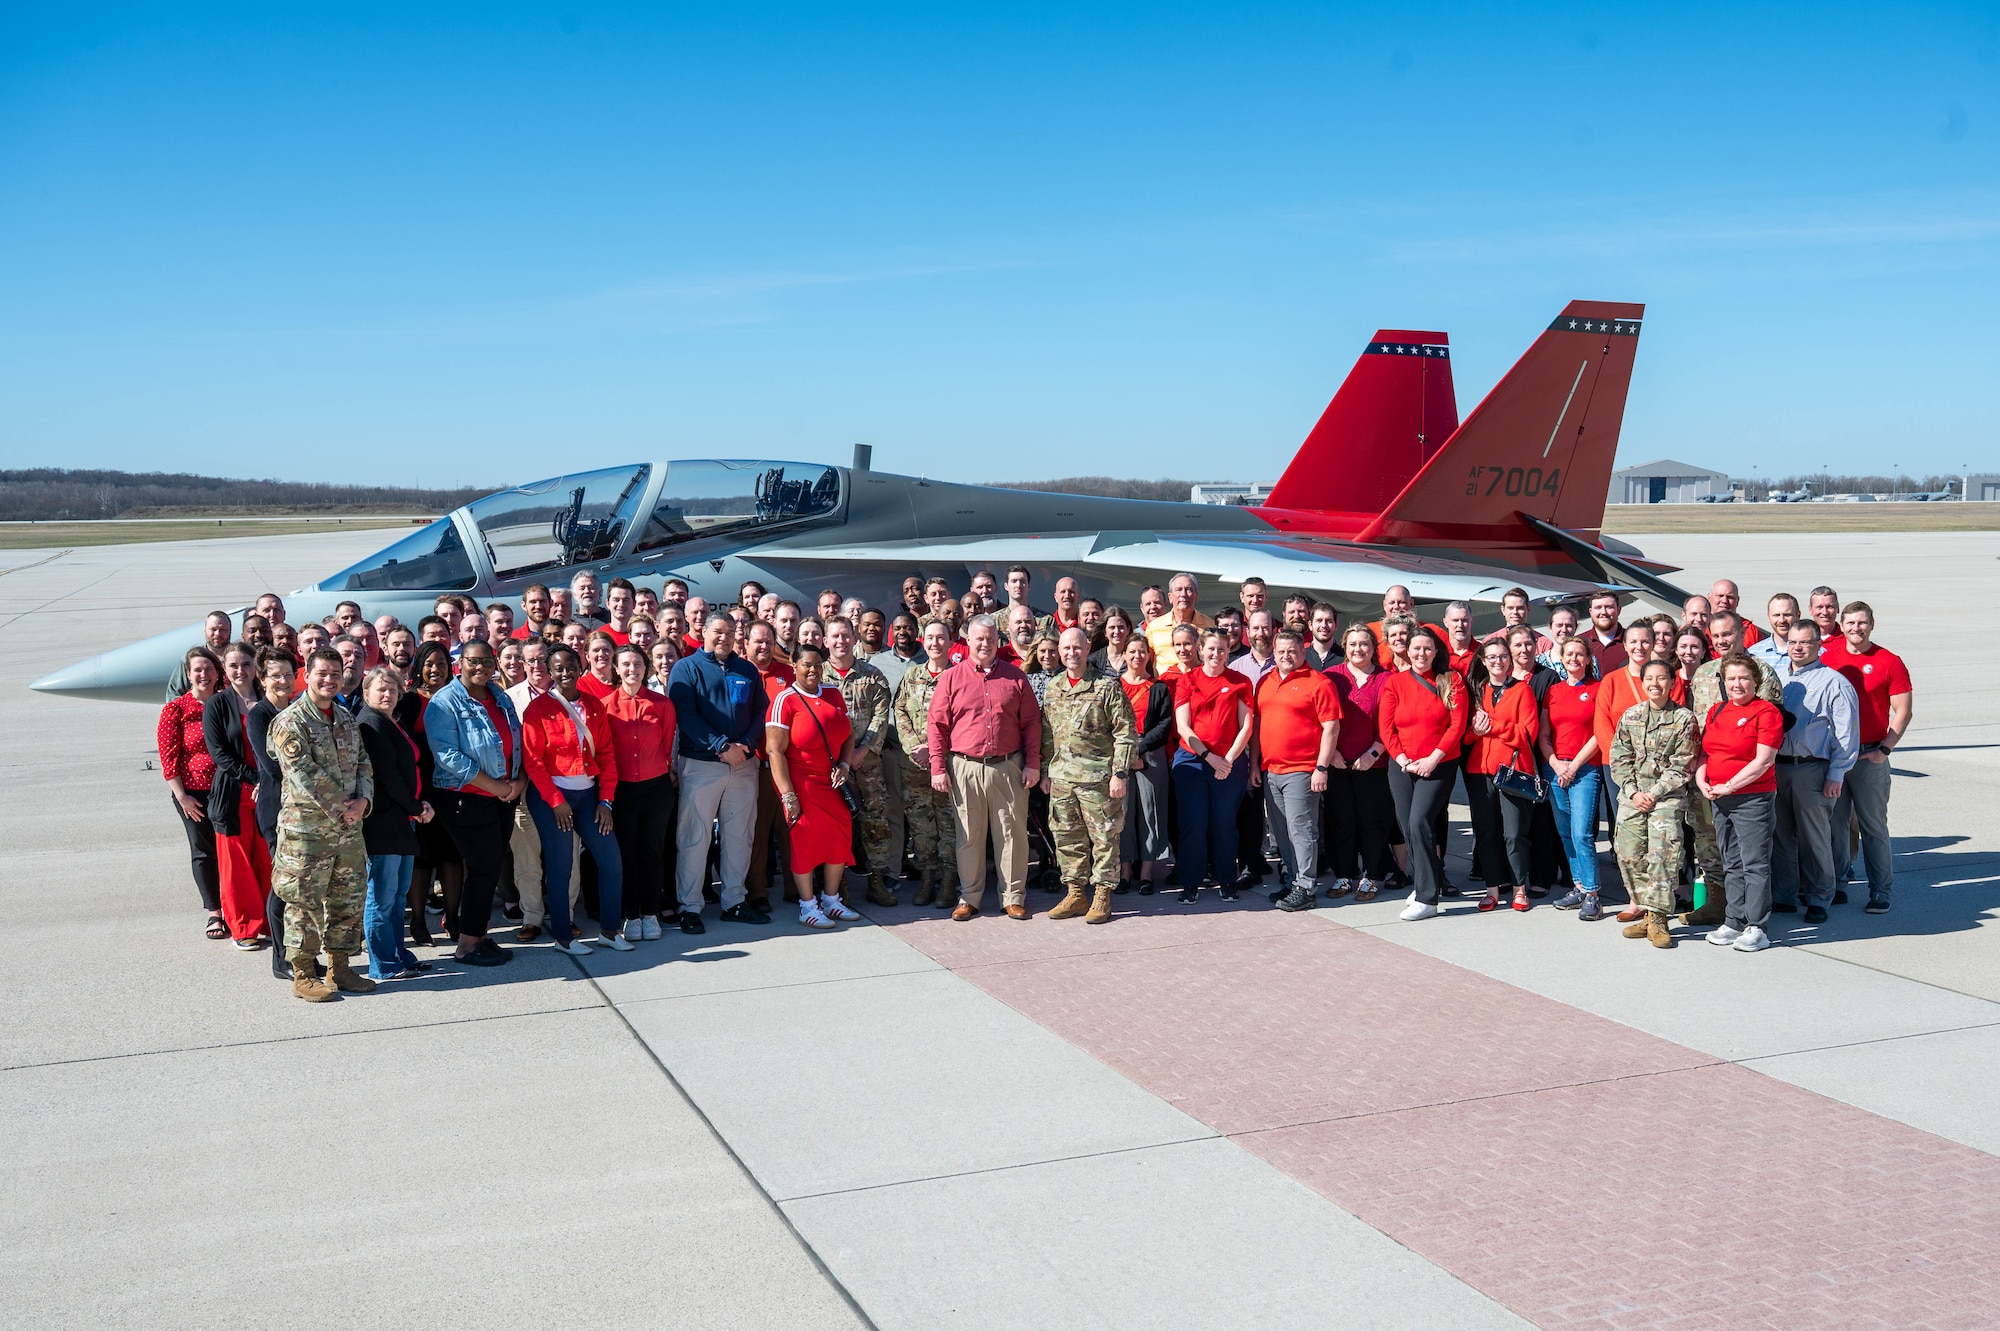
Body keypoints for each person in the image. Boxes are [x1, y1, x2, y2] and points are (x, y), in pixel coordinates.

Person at [268, 647, 376, 1001]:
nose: (329, 680)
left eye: (335, 674)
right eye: (322, 674)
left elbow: (363, 763)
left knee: (346, 899)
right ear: (307, 676)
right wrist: (342, 808)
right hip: (307, 834)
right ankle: (303, 972)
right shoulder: (291, 722)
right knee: (304, 902)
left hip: (347, 830)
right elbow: (303, 775)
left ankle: (340, 968)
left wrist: (364, 801)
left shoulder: (344, 717)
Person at [929, 615, 1042, 921]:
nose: (985, 644)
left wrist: (1032, 764)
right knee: (969, 835)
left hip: (1007, 766)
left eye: (990, 639)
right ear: (968, 641)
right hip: (964, 767)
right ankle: (970, 897)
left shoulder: (1016, 677)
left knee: (1012, 834)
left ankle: (1013, 897)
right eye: (979, 639)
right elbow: (937, 725)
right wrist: (938, 767)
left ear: (998, 641)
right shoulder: (951, 678)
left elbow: (1032, 723)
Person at [424, 640, 526, 966]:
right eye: (472, 662)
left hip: (501, 797)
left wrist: (518, 782)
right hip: (465, 799)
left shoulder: (500, 695)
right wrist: (495, 786)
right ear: (460, 664)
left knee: (491, 867)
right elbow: (448, 757)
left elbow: (516, 741)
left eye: (485, 661)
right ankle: (467, 945)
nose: (479, 667)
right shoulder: (444, 702)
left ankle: (480, 935)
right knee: (483, 868)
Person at [522, 644, 629, 953]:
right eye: (558, 668)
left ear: (580, 667)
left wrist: (606, 801)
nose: (565, 672)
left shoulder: (595, 706)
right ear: (550, 672)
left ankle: (610, 931)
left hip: (590, 796)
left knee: (612, 862)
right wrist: (556, 801)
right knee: (561, 866)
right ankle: (563, 938)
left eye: (571, 666)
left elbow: (607, 755)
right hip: (552, 799)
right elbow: (533, 761)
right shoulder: (538, 709)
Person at [667, 614, 766, 933]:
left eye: (730, 633)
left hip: (744, 765)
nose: (724, 638)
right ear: (705, 633)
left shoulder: (747, 669)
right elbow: (686, 715)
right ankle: (690, 906)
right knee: (694, 837)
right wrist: (721, 745)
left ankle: (734, 902)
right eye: (717, 632)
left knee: (740, 836)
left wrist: (747, 745)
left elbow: (759, 711)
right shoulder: (686, 668)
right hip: (702, 765)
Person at [1040, 627, 1138, 924]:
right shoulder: (1053, 687)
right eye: (1066, 648)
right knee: (1067, 838)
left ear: (1087, 649)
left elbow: (1126, 732)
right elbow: (1047, 734)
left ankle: (1102, 896)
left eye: (1077, 648)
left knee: (1105, 838)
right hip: (1062, 780)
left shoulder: (1107, 687)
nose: (1071, 653)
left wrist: (1119, 773)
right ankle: (1074, 893)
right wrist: (1046, 770)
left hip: (1098, 779)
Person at [1820, 601, 1912, 914]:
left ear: (1871, 624)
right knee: (1836, 826)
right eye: (1851, 623)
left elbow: (1903, 710)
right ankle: (1838, 886)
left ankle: (1880, 891)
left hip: (1870, 755)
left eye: (1862, 623)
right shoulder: (1827, 657)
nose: (1856, 628)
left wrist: (1884, 749)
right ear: (1841, 625)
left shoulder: (1889, 661)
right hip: (1834, 757)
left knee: (1873, 828)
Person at [767, 643, 861, 928]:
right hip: (800, 783)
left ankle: (831, 901)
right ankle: (808, 906)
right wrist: (788, 795)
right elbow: (775, 751)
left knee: (838, 836)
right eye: (806, 664)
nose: (813, 670)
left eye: (818, 664)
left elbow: (848, 736)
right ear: (794, 666)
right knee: (805, 842)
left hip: (832, 781)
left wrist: (844, 766)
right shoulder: (786, 700)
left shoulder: (832, 693)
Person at [1696, 654, 1786, 952]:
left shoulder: (1767, 712)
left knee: (1755, 863)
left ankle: (1757, 925)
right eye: (1731, 678)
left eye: (1743, 678)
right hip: (1721, 799)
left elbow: (1764, 761)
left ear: (1755, 681)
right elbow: (1705, 754)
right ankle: (1734, 920)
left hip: (1752, 799)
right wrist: (1703, 781)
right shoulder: (1716, 711)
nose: (1737, 684)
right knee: (1731, 862)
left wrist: (1729, 785)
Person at [1771, 623, 1859, 923]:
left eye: (1805, 642)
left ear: (1818, 644)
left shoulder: (1834, 683)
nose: (1797, 647)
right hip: (1777, 766)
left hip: (1811, 769)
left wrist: (1837, 772)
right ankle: (1784, 895)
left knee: (1814, 837)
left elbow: (1846, 733)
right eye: (1793, 642)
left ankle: (1820, 896)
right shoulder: (1777, 677)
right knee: (1780, 836)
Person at [1609, 659, 1698, 949]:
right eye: (1649, 678)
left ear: (1672, 682)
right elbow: (1619, 758)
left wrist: (1655, 792)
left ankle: (1659, 917)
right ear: (1642, 681)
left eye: (1662, 678)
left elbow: (1683, 764)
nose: (1655, 684)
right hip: (1633, 796)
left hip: (1666, 798)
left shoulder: (1684, 719)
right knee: (1627, 852)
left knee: (1663, 855)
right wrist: (1634, 792)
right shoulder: (1631, 716)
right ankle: (1645, 911)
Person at [1380, 629, 1467, 921]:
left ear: (1436, 651)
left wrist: (1433, 758)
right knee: (1409, 827)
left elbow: (1457, 725)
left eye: (1427, 649)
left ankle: (1429, 899)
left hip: (1439, 764)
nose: (1421, 654)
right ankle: (1423, 885)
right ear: (1408, 650)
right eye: (1415, 648)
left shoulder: (1451, 680)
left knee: (1420, 823)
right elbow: (1387, 726)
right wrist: (1403, 759)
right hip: (1402, 765)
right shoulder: (1395, 683)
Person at [1256, 629, 1342, 912]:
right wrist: (1255, 766)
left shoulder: (1318, 683)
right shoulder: (1266, 682)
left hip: (1302, 770)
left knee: (1302, 831)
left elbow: (1331, 727)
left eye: (1292, 651)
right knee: (1281, 832)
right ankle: (1293, 881)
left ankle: (1306, 887)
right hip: (1271, 771)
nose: (1286, 656)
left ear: (1303, 653)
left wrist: (1321, 767)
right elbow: (1258, 728)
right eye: (1280, 652)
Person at [355, 666, 431, 980]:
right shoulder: (370, 723)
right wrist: (416, 806)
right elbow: (388, 776)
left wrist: (415, 807)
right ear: (366, 693)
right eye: (381, 690)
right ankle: (382, 964)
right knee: (381, 896)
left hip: (401, 819)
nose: (387, 695)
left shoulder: (390, 721)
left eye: (392, 689)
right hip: (383, 821)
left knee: (399, 894)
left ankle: (398, 954)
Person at [1171, 628, 1255, 903]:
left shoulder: (1241, 681)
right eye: (1211, 649)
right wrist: (1210, 757)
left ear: (1228, 651)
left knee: (1224, 824)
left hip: (1229, 764)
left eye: (1222, 649)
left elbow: (1246, 726)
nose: (1216, 654)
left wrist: (1228, 760)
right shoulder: (1188, 680)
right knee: (1193, 825)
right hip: (1193, 762)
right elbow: (1184, 727)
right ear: (1200, 650)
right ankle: (1190, 883)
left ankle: (1227, 880)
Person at [605, 643, 678, 938]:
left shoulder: (661, 704)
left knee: (653, 851)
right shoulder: (605, 705)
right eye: (626, 664)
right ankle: (630, 915)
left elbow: (666, 744)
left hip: (656, 788)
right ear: (616, 668)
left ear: (645, 668)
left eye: (637, 664)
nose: (632, 670)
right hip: (622, 790)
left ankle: (650, 913)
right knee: (627, 854)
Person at [203, 642, 273, 948]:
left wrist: (268, 781)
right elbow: (219, 754)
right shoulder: (217, 704)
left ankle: (272, 923)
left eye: (246, 664)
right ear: (224, 669)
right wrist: (254, 778)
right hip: (233, 795)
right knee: (236, 866)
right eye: (233, 665)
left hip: (267, 792)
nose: (240, 670)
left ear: (255, 666)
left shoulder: (268, 701)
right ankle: (244, 927)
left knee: (268, 860)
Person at [822, 618, 896, 906]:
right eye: (834, 636)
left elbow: (880, 716)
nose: (841, 641)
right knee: (836, 824)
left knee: (875, 820)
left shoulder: (872, 675)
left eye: (845, 635)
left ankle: (876, 881)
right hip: (830, 767)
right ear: (825, 641)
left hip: (867, 764)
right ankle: (838, 887)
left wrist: (861, 751)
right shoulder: (817, 676)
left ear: (854, 638)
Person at [1465, 637, 1540, 913]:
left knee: (1514, 833)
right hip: (1479, 771)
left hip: (1512, 770)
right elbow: (1468, 736)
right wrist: (1476, 731)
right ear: (1483, 661)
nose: (1498, 661)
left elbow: (1526, 733)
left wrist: (1492, 726)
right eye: (1492, 657)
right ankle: (1492, 889)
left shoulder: (1523, 691)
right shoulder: (1477, 691)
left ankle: (1520, 887)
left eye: (1503, 656)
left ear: (1510, 660)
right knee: (1486, 832)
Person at [1323, 624, 1394, 902]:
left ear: (1374, 648)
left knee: (1372, 822)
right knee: (1341, 821)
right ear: (1345, 647)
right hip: (1338, 763)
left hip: (1373, 766)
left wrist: (1374, 753)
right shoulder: (1331, 677)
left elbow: (1392, 724)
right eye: (1352, 644)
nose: (1358, 649)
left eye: (1364, 644)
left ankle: (1373, 876)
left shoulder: (1387, 679)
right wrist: (1333, 753)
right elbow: (1322, 719)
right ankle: (1344, 874)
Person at [399, 642, 463, 944]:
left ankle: (452, 916)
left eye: (441, 663)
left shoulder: (457, 697)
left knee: (452, 857)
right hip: (423, 790)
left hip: (452, 789)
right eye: (429, 664)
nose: (436, 669)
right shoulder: (409, 701)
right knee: (422, 859)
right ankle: (419, 922)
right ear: (419, 667)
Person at [161, 645, 226, 937]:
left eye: (208, 668)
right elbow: (168, 757)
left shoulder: (227, 703)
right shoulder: (176, 709)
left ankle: (237, 906)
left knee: (230, 851)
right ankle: (215, 912)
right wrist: (182, 796)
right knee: (204, 851)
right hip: (193, 794)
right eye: (197, 669)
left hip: (228, 790)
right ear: (188, 675)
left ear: (217, 673)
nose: (203, 674)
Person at [894, 620, 959, 907]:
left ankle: (947, 882)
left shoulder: (959, 676)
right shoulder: (912, 676)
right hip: (915, 766)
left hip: (947, 766)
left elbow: (966, 721)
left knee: (948, 825)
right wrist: (912, 747)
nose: (935, 643)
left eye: (940, 638)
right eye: (930, 638)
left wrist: (935, 751)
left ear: (950, 641)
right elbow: (900, 712)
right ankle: (927, 879)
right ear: (924, 640)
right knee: (921, 826)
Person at [1542, 636, 1607, 920]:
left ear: (1588, 659)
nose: (1574, 659)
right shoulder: (1553, 691)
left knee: (1582, 832)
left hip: (1585, 770)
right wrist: (1556, 764)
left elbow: (1599, 733)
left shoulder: (1597, 689)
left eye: (1580, 654)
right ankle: (1578, 885)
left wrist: (1574, 765)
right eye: (1569, 654)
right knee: (1566, 831)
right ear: (1562, 657)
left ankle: (1593, 893)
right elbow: (1544, 736)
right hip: (1556, 770)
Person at [247, 650, 299, 976]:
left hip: (303, 809)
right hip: (277, 809)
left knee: (301, 888)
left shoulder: (298, 710)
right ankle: (281, 960)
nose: (282, 681)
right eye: (275, 675)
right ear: (263, 679)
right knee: (283, 886)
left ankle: (301, 955)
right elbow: (272, 766)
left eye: (287, 674)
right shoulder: (259, 715)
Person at [741, 621, 795, 911]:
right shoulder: (738, 672)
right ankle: (758, 892)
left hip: (786, 767)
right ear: (746, 643)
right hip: (754, 768)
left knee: (790, 830)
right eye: (757, 641)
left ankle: (795, 887)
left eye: (768, 641)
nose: (763, 647)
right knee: (757, 835)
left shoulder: (788, 674)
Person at [1118, 635, 1175, 896]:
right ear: (1125, 654)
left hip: (1151, 754)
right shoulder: (1113, 686)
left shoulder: (1159, 688)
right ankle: (1125, 872)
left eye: (1142, 651)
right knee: (1123, 813)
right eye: (1132, 651)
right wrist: (1128, 752)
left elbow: (1164, 726)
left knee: (1151, 812)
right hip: (1119, 754)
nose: (1137, 656)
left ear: (1149, 656)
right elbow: (1108, 723)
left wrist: (1138, 749)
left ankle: (1147, 874)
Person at [1144, 572, 1215, 670]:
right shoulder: (1154, 627)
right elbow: (1147, 663)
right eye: (1178, 590)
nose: (1183, 594)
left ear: (1196, 596)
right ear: (1170, 597)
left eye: (1188, 589)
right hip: (1165, 684)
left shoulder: (1210, 627)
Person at [167, 611, 234, 700]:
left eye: (223, 630)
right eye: (213, 629)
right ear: (205, 630)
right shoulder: (190, 660)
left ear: (230, 631)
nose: (217, 634)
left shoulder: (240, 659)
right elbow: (174, 694)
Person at [1750, 593, 1800, 671]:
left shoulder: (1814, 652)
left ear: (1798, 616)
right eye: (1776, 615)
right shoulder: (1753, 654)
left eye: (1787, 615)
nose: (1782, 620)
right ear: (1769, 617)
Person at [1585, 591, 1628, 673]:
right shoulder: (1580, 642)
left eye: (1609, 607)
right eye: (1598, 607)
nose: (1603, 612)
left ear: (1618, 610)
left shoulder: (1633, 642)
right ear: (1590, 612)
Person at [1089, 605, 1135, 676]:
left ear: (1128, 629)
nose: (1117, 631)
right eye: (1112, 627)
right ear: (1105, 632)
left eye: (1121, 627)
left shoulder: (1137, 656)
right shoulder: (1093, 660)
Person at [1305, 602, 1341, 671]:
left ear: (1336, 625)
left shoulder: (1345, 657)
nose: (1324, 625)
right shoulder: (1302, 657)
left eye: (1329, 621)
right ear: (1310, 625)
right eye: (1319, 620)